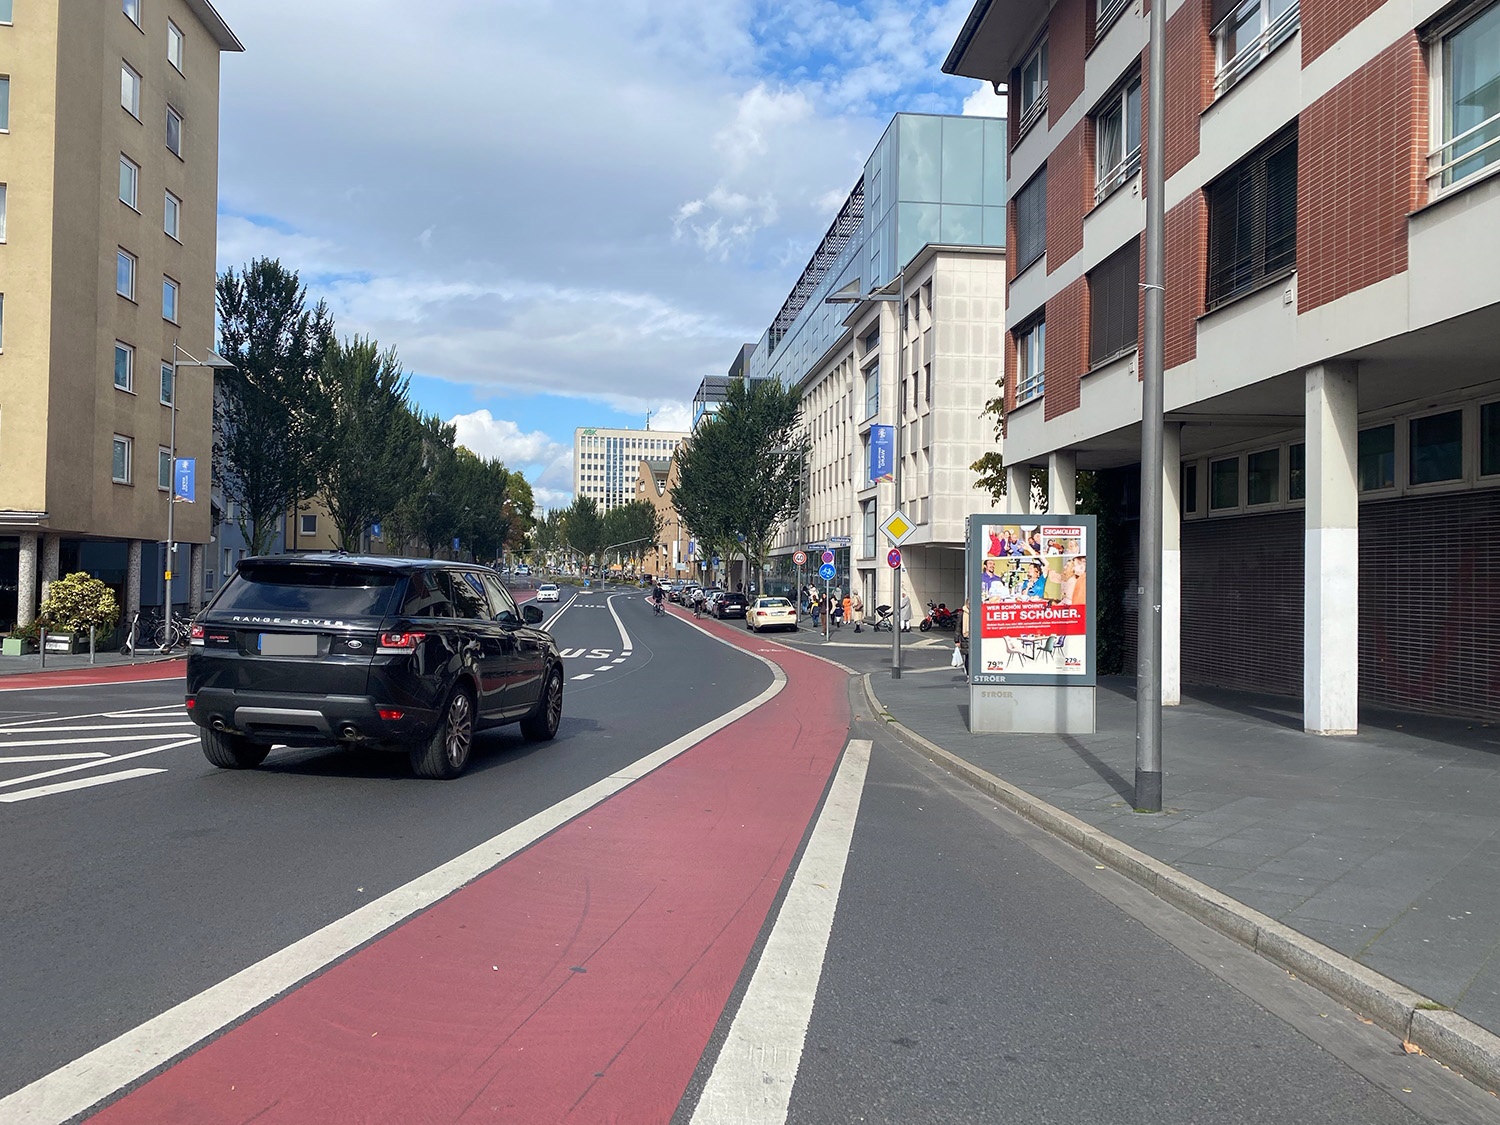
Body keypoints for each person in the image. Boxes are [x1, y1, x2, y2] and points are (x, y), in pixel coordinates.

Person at [958, 597, 971, 679]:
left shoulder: (977, 612)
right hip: (965, 638)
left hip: (975, 638)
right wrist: (956, 640)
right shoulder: (962, 613)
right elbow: (958, 627)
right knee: (968, 657)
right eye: (969, 603)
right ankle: (969, 675)